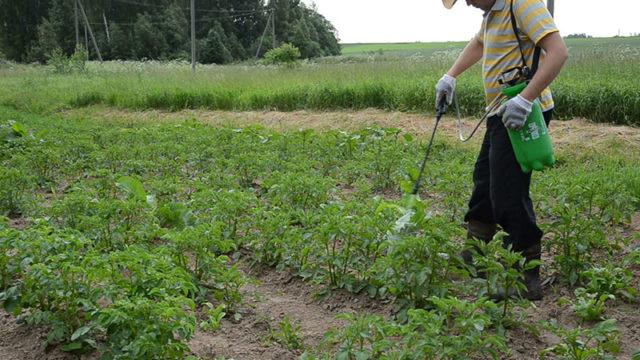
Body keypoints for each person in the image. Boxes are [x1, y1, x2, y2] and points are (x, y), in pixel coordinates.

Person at [435, 0, 568, 300]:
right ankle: (475, 254)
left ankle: (526, 274)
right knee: (484, 181)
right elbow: (479, 42)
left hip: (522, 112)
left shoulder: (522, 3)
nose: (467, 2)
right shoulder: (492, 13)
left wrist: (525, 98)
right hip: (500, 113)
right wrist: (451, 75)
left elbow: (558, 52)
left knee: (507, 192)